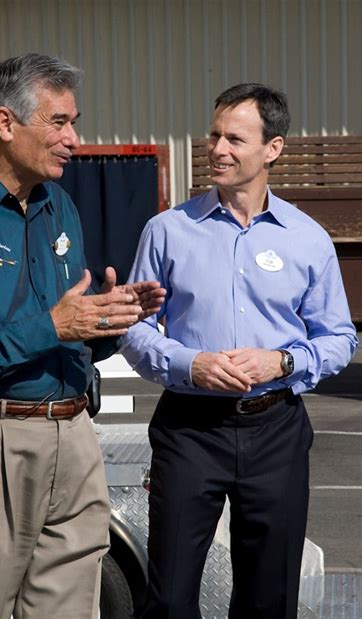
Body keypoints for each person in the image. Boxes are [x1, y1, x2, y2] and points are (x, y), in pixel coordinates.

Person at [0, 53, 165, 619]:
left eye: (75, 121)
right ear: (6, 123)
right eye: (59, 122)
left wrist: (105, 321)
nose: (75, 139)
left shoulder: (58, 206)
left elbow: (64, 332)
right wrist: (54, 326)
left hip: (74, 437)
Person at [121, 83, 358, 618]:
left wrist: (284, 361)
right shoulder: (168, 231)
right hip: (189, 431)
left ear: (272, 149)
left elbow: (339, 338)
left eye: (234, 138)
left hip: (275, 428)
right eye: (213, 135)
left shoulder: (308, 238)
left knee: (269, 600)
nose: (218, 149)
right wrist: (192, 364)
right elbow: (134, 332)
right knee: (170, 598)